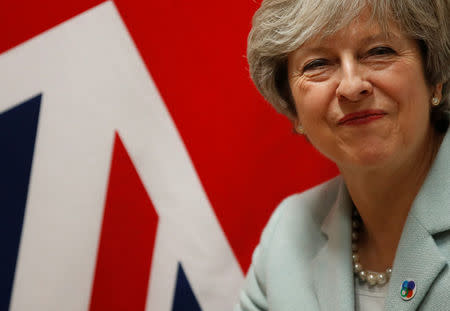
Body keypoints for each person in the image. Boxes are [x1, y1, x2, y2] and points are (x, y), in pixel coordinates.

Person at [235, 0, 450, 310]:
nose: (351, 86)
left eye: (379, 52)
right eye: (317, 64)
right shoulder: (288, 234)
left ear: (435, 77)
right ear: (293, 108)